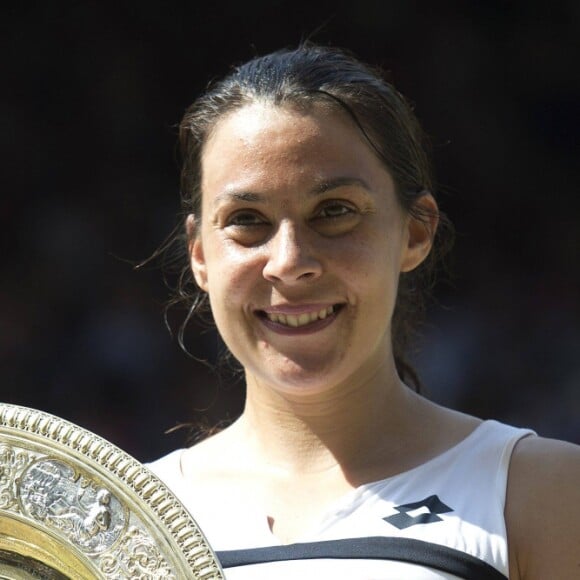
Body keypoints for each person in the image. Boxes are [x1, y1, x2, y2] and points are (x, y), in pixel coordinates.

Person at [148, 44, 580, 579]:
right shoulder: (119, 515)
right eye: (247, 219)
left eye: (334, 212)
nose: (289, 263)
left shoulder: (539, 492)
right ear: (199, 254)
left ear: (416, 231)